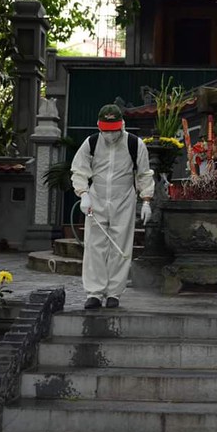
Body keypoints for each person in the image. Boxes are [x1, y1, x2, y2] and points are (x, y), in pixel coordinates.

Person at [71, 104, 155, 309]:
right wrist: (83, 194)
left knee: (120, 246)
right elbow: (79, 170)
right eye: (106, 130)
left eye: (114, 129)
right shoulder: (91, 143)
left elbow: (144, 174)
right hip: (96, 198)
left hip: (123, 199)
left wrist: (146, 201)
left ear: (122, 125)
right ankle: (94, 292)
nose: (110, 134)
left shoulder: (134, 144)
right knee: (94, 246)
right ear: (100, 126)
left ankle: (114, 293)